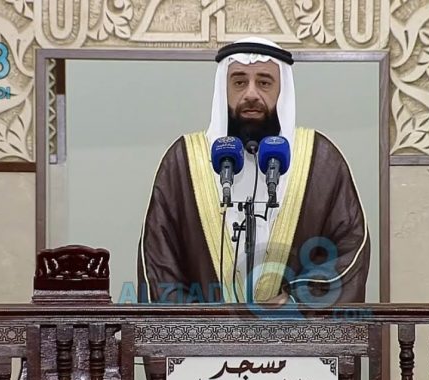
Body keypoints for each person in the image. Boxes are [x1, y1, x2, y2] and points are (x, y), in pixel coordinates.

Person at [137, 37, 370, 306]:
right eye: (239, 82)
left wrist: (295, 302)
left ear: (282, 91)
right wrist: (201, 322)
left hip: (295, 330)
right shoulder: (183, 162)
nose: (250, 94)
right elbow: (158, 260)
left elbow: (350, 248)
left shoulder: (320, 160)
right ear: (224, 89)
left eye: (264, 83)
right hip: (203, 333)